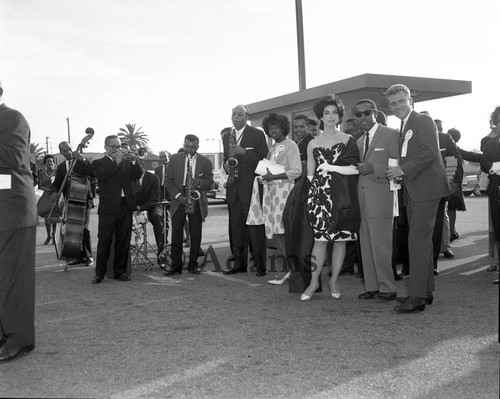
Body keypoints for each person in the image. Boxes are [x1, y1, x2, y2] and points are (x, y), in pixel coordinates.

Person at [385, 84, 450, 313]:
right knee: (420, 240)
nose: (398, 107)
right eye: (393, 104)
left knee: (418, 241)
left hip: (426, 190)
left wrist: (402, 170)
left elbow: (430, 153)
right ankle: (426, 291)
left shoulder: (422, 120)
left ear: (410, 100)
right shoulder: (405, 125)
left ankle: (417, 296)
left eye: (401, 101)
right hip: (416, 190)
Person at [301, 94, 361, 301]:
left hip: (343, 196)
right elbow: (310, 176)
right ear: (320, 116)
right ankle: (313, 282)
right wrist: (313, 196)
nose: (330, 116)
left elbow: (356, 169)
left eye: (335, 112)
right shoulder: (312, 143)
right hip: (319, 196)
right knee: (319, 240)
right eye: (326, 113)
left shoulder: (348, 140)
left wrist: (333, 167)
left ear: (340, 116)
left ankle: (334, 280)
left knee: (340, 241)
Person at [0, 80, 37, 362]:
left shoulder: (12, 117)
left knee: (13, 278)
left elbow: (13, 159)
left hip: (11, 210)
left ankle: (19, 339)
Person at [246, 113, 301, 285]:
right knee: (276, 232)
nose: (273, 131)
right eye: (270, 128)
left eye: (276, 127)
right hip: (273, 194)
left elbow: (296, 171)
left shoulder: (291, 145)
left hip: (285, 193)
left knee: (285, 232)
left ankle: (294, 270)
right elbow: (268, 171)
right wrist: (263, 178)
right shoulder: (272, 148)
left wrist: (273, 175)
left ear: (283, 127)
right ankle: (290, 269)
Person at [354, 99, 400, 300]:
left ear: (375, 113)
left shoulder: (391, 135)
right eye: (358, 114)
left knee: (381, 245)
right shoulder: (357, 140)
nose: (362, 117)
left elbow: (399, 168)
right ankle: (372, 286)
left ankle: (388, 287)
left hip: (382, 197)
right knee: (366, 244)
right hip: (362, 199)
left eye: (366, 113)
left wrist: (375, 169)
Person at [222, 104, 268, 276]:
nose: (235, 117)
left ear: (246, 116)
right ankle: (239, 264)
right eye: (233, 114)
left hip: (251, 189)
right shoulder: (228, 135)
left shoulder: (257, 134)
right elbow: (227, 159)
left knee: (255, 228)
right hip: (233, 188)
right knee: (236, 229)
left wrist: (244, 152)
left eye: (239, 114)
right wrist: (226, 165)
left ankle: (260, 265)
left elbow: (264, 157)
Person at [91, 135, 143, 284]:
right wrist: (116, 162)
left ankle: (120, 271)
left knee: (123, 241)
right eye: (113, 146)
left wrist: (134, 161)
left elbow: (138, 174)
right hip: (108, 208)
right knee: (104, 241)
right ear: (106, 147)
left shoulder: (127, 162)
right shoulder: (98, 163)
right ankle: (99, 273)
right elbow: (101, 175)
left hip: (125, 205)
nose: (117, 149)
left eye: (118, 146)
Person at [164, 134, 213, 275]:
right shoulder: (174, 159)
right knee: (176, 234)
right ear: (183, 144)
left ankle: (193, 264)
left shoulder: (205, 161)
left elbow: (210, 182)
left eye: (193, 147)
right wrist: (180, 197)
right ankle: (176, 265)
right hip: (179, 200)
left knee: (196, 234)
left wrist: (198, 182)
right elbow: (168, 182)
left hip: (196, 200)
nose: (189, 149)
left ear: (198, 146)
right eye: (187, 146)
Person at [52, 141, 94, 266]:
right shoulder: (60, 168)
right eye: (65, 150)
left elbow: (92, 172)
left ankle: (88, 256)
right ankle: (77, 256)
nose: (68, 152)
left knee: (84, 227)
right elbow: (56, 184)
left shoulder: (80, 162)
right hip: (70, 201)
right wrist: (55, 192)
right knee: (73, 229)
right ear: (61, 152)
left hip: (84, 199)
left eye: (69, 149)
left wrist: (83, 159)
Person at [432, 119, 463, 271]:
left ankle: (443, 250)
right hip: (419, 188)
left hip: (442, 187)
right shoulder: (413, 137)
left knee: (441, 219)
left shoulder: (444, 138)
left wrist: (456, 183)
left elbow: (457, 159)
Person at [134, 161, 167, 268]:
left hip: (152, 206)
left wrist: (141, 208)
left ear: (142, 168)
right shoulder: (130, 177)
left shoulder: (154, 178)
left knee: (158, 218)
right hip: (135, 207)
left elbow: (154, 199)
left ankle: (161, 252)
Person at [480, 106, 500, 277]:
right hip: (496, 188)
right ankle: (495, 260)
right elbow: (484, 161)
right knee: (496, 227)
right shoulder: (490, 141)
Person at [37, 155, 58, 245]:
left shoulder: (57, 172)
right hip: (46, 195)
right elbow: (40, 186)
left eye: (51, 161)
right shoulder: (41, 173)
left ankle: (54, 236)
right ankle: (48, 235)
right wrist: (49, 190)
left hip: (55, 195)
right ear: (45, 164)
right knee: (47, 216)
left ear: (53, 163)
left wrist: (55, 191)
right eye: (47, 162)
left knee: (54, 216)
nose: (49, 163)